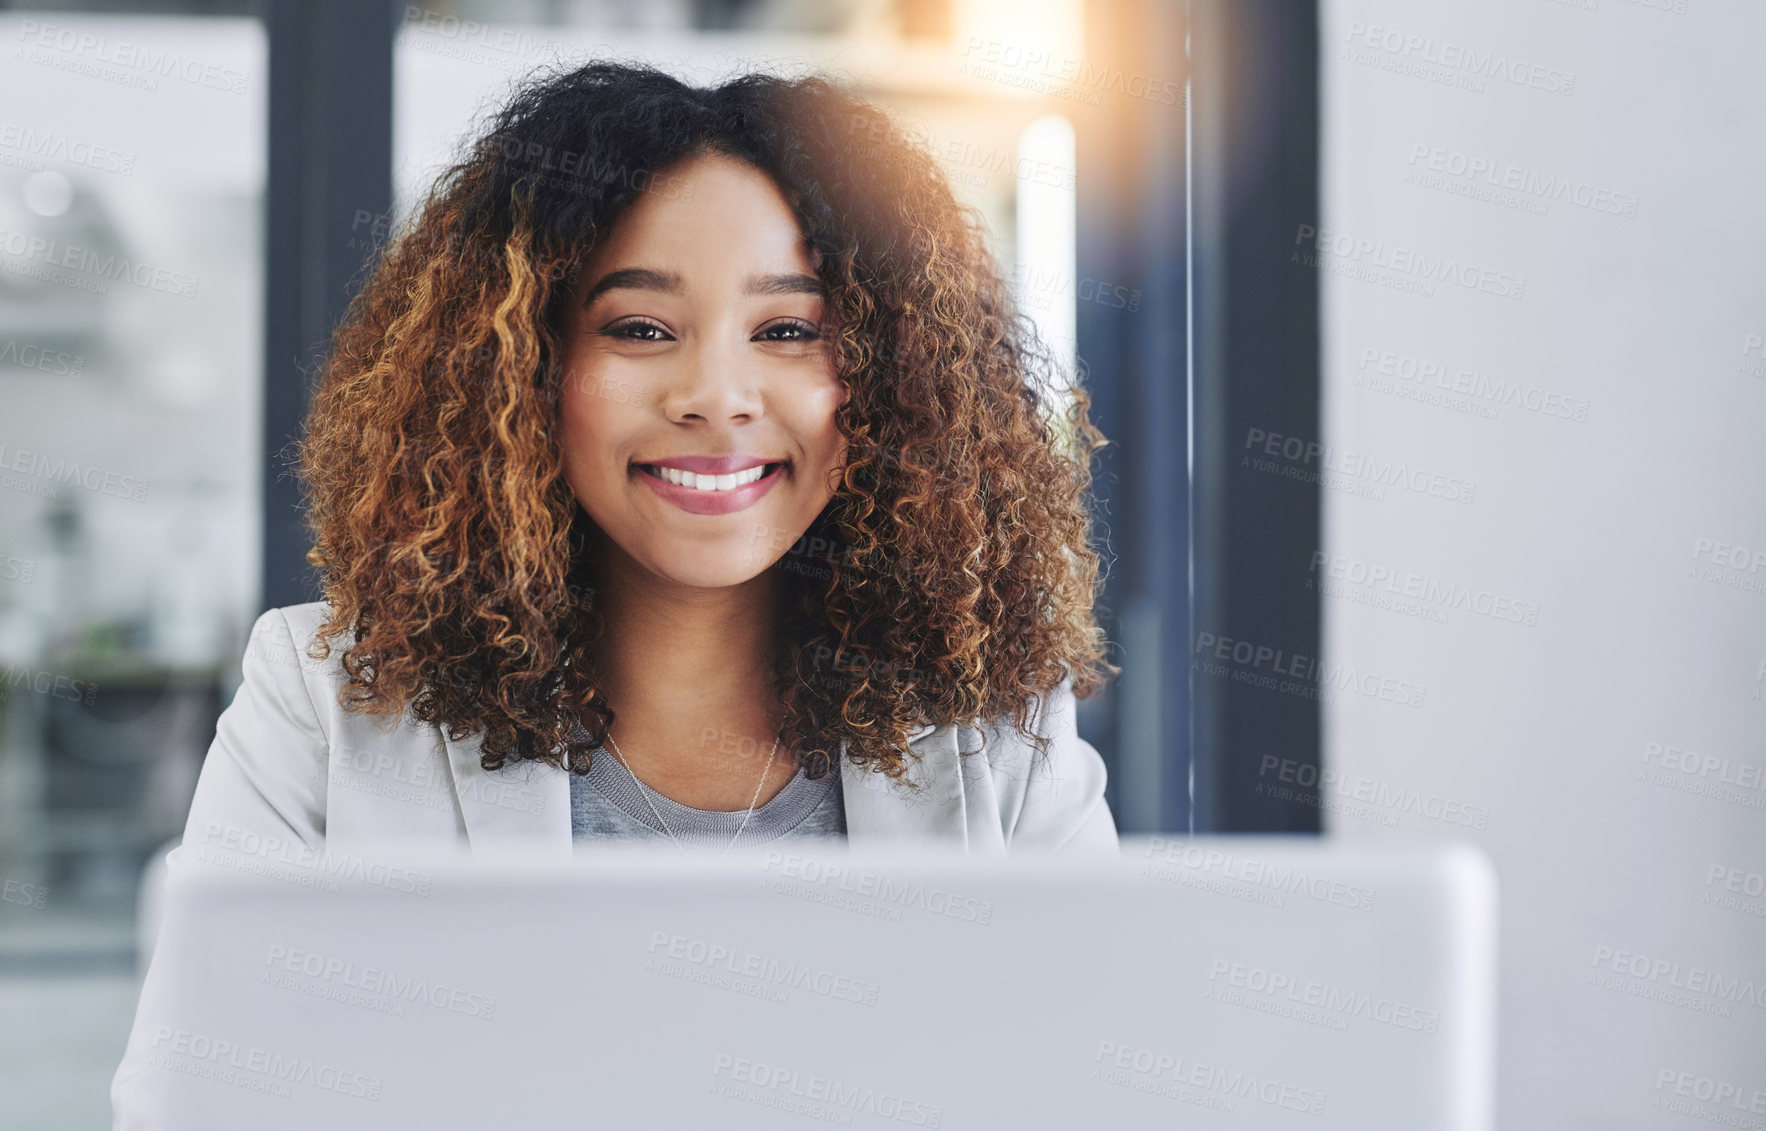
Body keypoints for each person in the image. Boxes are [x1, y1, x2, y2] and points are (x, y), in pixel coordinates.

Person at [111, 58, 1120, 1127]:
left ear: (888, 381)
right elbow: (195, 1101)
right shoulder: (323, 699)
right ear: (520, 367)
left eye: (787, 331)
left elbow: (1103, 1085)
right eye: (638, 329)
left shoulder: (997, 733)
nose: (714, 399)